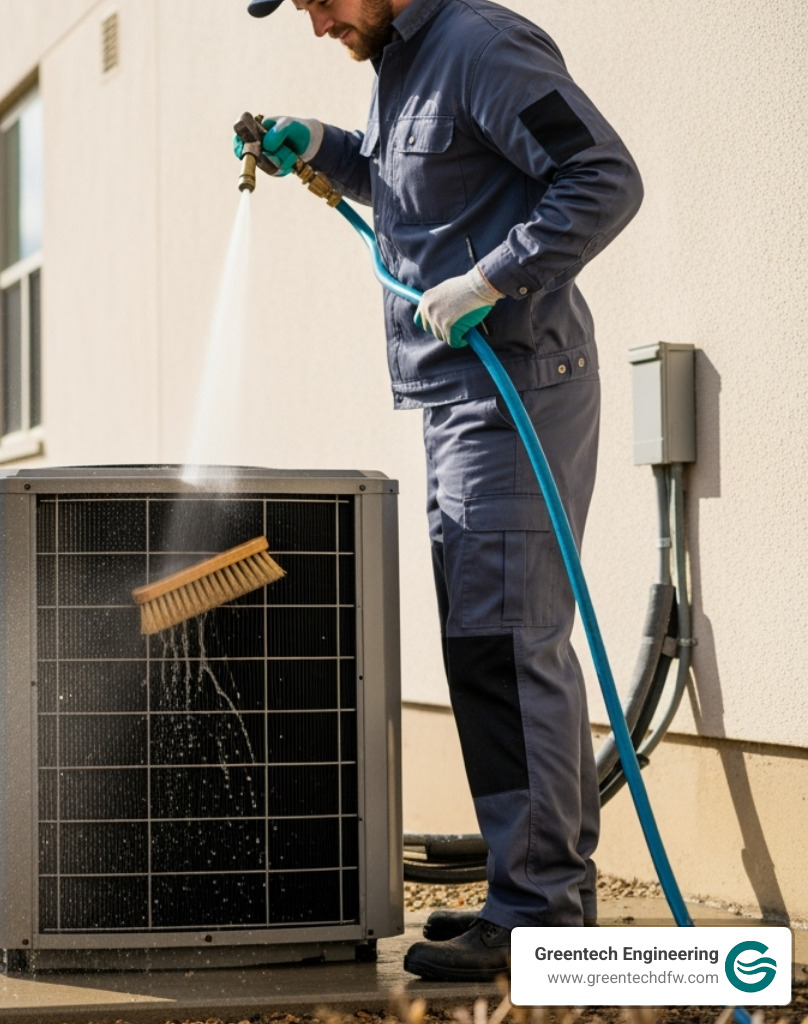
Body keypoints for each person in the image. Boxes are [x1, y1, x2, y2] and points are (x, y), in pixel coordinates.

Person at [234, 0, 643, 981]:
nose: (318, 22)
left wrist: (494, 279)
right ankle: (531, 896)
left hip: (514, 389)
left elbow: (603, 177)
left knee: (507, 645)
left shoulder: (480, 47)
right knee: (485, 646)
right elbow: (417, 186)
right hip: (458, 398)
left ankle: (542, 917)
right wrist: (328, 148)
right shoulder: (402, 66)